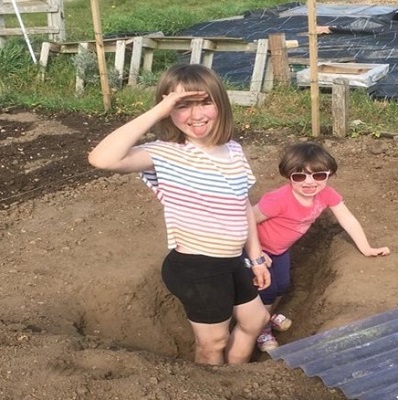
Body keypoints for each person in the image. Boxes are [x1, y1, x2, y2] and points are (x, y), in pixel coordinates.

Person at [88, 63, 272, 365]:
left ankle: (235, 380)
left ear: (220, 104)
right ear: (167, 110)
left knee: (255, 321)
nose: (196, 115)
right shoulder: (164, 154)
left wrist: (256, 257)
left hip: (231, 261)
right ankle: (207, 389)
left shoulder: (233, 150)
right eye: (182, 106)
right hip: (197, 267)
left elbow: (243, 206)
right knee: (213, 341)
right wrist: (158, 112)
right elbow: (102, 158)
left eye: (204, 102)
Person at [252, 141, 391, 352]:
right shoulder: (277, 200)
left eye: (318, 176)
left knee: (282, 285)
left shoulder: (326, 194)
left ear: (328, 174)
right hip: (258, 250)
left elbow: (348, 219)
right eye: (299, 176)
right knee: (267, 289)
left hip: (280, 251)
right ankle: (262, 330)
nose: (310, 182)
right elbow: (245, 221)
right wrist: (256, 252)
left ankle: (267, 316)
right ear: (288, 176)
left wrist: (367, 248)